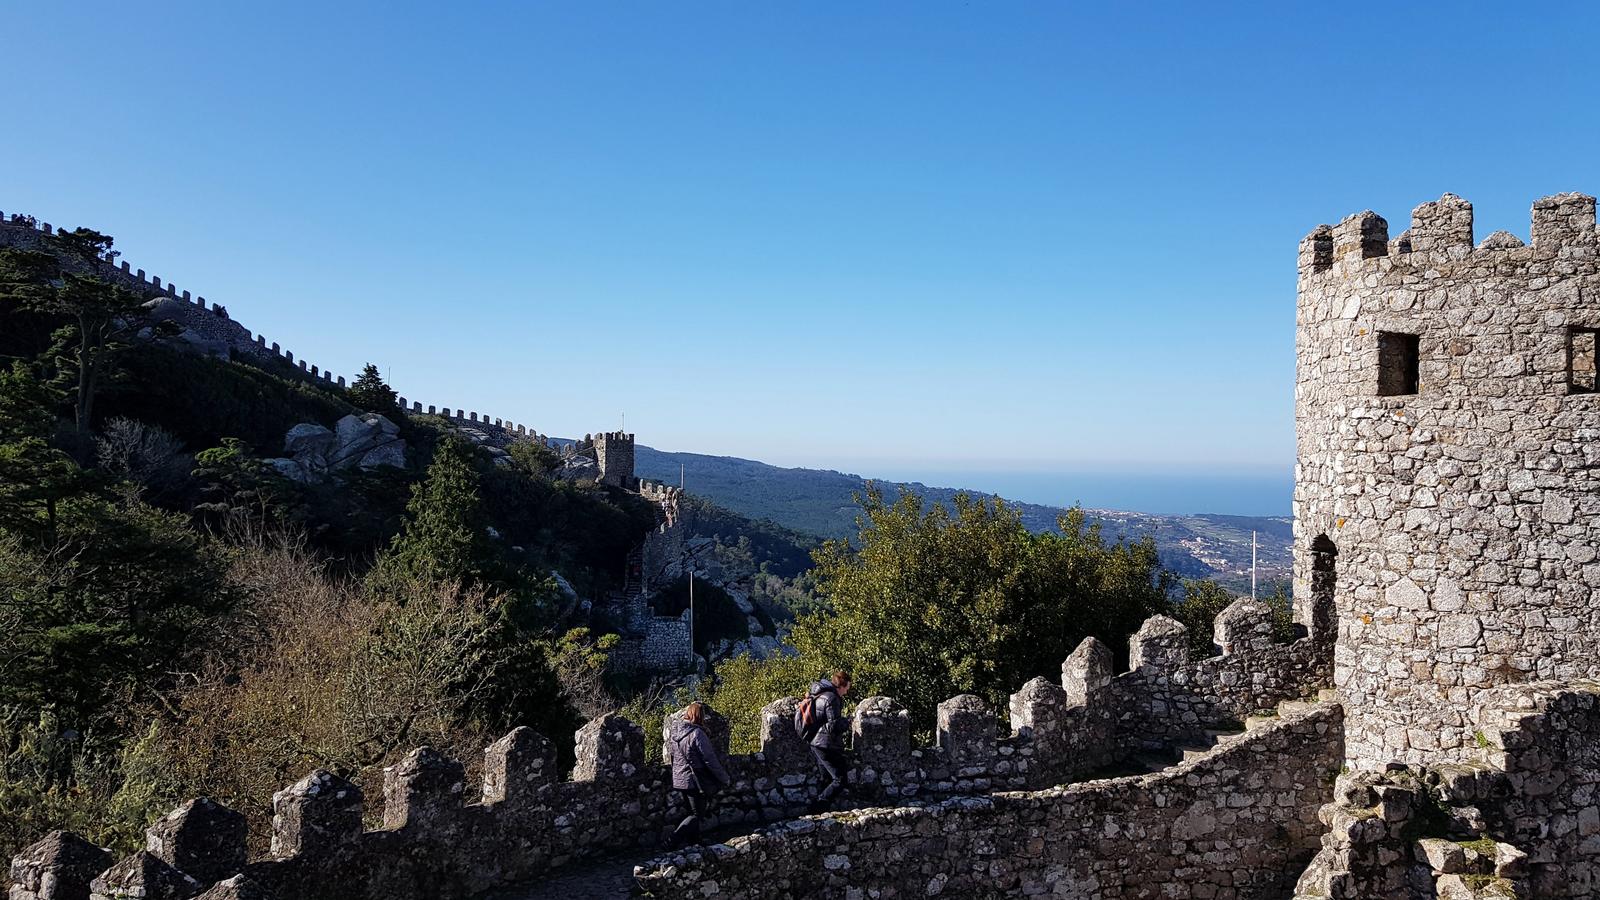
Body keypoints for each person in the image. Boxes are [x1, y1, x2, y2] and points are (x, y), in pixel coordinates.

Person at [665, 701, 730, 849]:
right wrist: (724, 778)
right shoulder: (697, 733)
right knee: (697, 814)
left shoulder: (675, 733)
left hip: (680, 779)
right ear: (700, 716)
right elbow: (709, 759)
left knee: (691, 811)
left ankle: (694, 841)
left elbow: (673, 757)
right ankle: (672, 841)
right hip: (694, 779)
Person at [804, 670, 851, 813]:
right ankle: (817, 808)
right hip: (825, 744)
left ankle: (821, 815)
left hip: (815, 742)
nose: (847, 691)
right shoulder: (832, 698)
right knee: (840, 779)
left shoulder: (821, 694)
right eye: (847, 687)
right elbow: (833, 726)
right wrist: (847, 721)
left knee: (825, 779)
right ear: (842, 685)